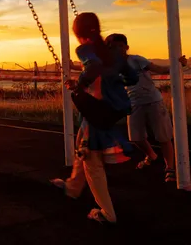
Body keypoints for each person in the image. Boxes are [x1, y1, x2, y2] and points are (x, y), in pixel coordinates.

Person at [51, 12, 138, 224]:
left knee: (92, 162)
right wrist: (115, 81)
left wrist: (79, 84)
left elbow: (94, 67)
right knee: (82, 146)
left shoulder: (84, 49)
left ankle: (107, 213)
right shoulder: (114, 52)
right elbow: (132, 77)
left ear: (78, 33)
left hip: (97, 111)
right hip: (111, 110)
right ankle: (72, 187)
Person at [105, 33, 187, 183]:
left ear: (126, 47)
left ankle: (170, 168)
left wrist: (177, 64)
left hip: (153, 101)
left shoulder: (136, 60)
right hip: (134, 104)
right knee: (136, 138)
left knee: (163, 136)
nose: (117, 50)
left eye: (120, 46)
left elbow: (160, 69)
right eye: (113, 47)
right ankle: (152, 155)